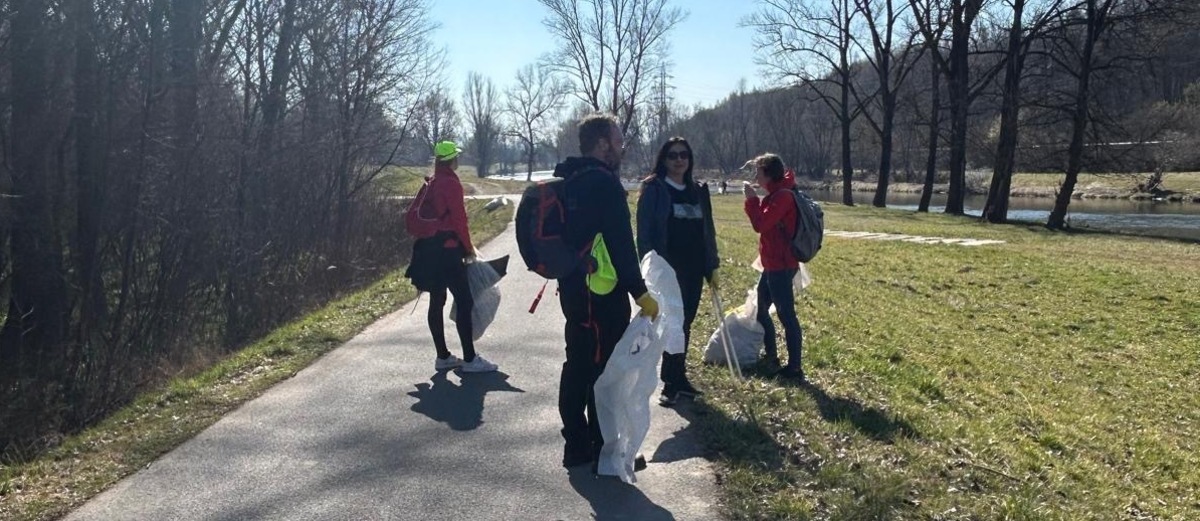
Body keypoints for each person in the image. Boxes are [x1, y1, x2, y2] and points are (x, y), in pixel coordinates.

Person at [552, 113, 659, 469]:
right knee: (602, 370)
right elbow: (620, 244)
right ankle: (602, 449)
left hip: (572, 287)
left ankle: (576, 445)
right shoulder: (603, 183)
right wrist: (639, 292)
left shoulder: (569, 178)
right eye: (617, 140)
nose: (621, 146)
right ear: (601, 144)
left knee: (578, 363)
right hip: (601, 293)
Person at [635, 137, 719, 406]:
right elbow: (645, 233)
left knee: (685, 323)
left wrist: (712, 264)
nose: (679, 160)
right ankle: (669, 384)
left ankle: (678, 377)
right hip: (666, 271)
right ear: (664, 159)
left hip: (694, 269)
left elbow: (708, 230)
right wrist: (647, 268)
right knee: (671, 323)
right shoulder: (654, 189)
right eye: (673, 155)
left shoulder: (698, 190)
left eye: (684, 155)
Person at [404, 141, 498, 374]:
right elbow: (459, 221)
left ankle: (443, 356)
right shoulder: (451, 184)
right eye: (456, 156)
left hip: (430, 250)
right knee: (465, 301)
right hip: (448, 250)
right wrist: (468, 247)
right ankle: (469, 359)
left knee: (437, 301)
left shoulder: (432, 182)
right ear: (451, 160)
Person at [742, 153, 805, 380]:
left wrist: (751, 200)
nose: (756, 177)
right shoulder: (776, 194)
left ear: (768, 174)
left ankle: (795, 368)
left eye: (758, 173)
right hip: (771, 265)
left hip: (781, 265)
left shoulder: (783, 197)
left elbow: (761, 224)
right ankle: (771, 355)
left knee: (786, 315)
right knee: (761, 310)